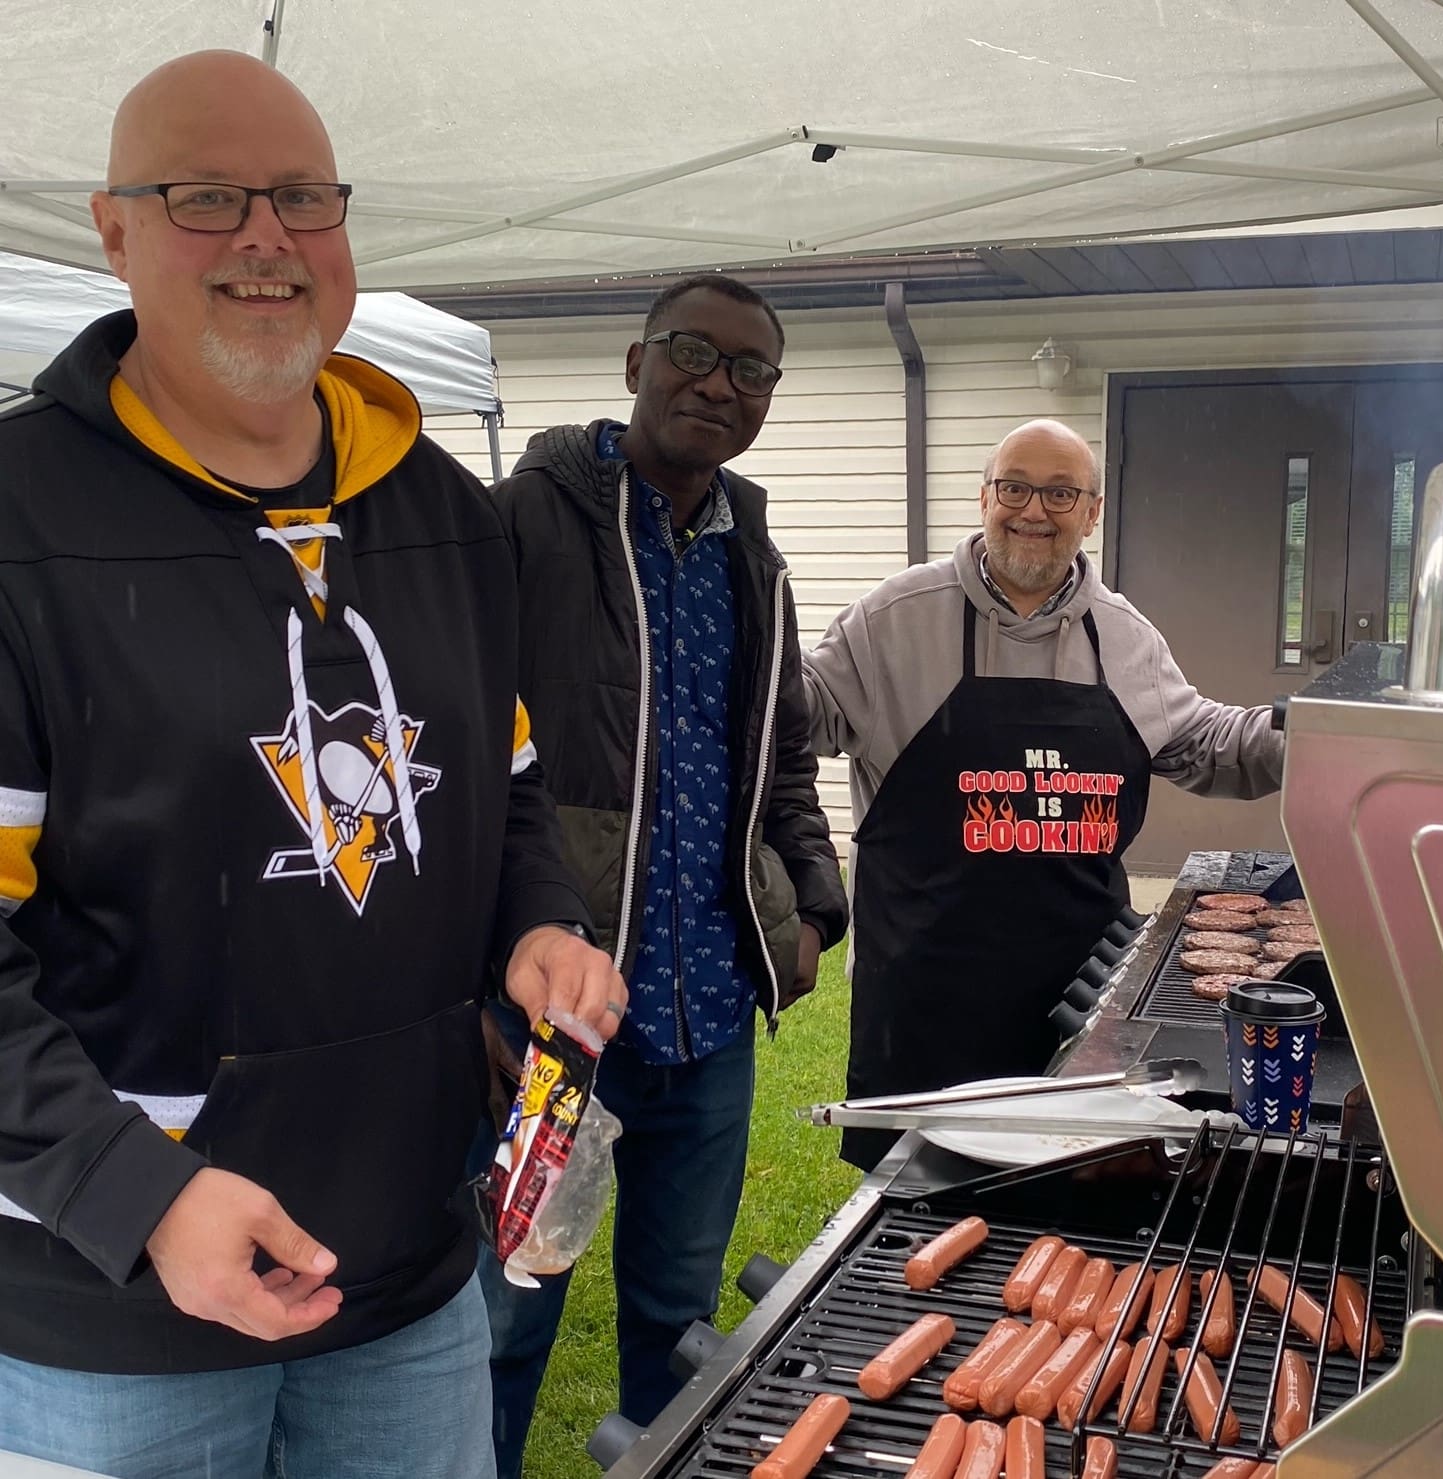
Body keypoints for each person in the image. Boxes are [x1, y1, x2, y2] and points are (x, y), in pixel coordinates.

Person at [0, 51, 625, 1479]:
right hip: (108, 1308)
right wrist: (134, 1192)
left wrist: (539, 919)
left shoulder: (447, 514)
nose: (266, 238)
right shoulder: (20, 523)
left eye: (300, 197)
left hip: (405, 1271)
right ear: (113, 230)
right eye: (207, 198)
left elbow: (505, 787)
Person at [485, 273, 848, 1473]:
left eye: (751, 370)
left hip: (707, 1014)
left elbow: (783, 757)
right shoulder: (522, 526)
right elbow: (463, 758)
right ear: (636, 359)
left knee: (679, 1322)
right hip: (557, 1016)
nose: (718, 383)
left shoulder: (754, 551)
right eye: (695, 352)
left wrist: (813, 908)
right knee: (505, 1317)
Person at [802, 418, 1284, 1169]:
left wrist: (1318, 733)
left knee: (1071, 1190)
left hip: (1082, 991)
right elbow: (791, 718)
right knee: (909, 1206)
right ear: (984, 496)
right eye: (1015, 488)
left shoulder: (1123, 637)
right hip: (925, 995)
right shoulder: (892, 620)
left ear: (1091, 511)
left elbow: (1204, 742)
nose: (1033, 510)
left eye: (1060, 493)